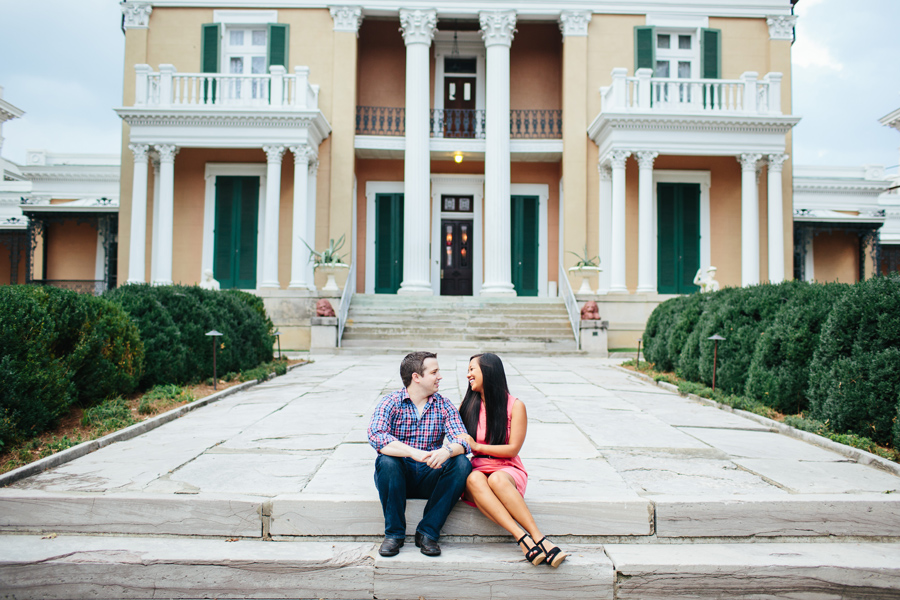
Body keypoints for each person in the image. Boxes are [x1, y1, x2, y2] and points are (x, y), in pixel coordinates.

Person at [459, 353, 569, 568]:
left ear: (489, 371)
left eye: (472, 369)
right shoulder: (467, 405)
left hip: (507, 468)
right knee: (473, 479)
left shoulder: (515, 406)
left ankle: (538, 537)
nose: (468, 374)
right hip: (478, 468)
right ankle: (522, 537)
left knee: (498, 480)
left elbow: (513, 449)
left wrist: (477, 446)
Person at [367, 351, 472, 557]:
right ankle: (394, 535)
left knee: (461, 463)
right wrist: (413, 453)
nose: (439, 376)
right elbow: (376, 435)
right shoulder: (391, 402)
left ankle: (427, 533)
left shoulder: (443, 405)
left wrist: (446, 451)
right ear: (416, 377)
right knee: (387, 460)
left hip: (430, 475)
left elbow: (464, 440)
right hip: (397, 477)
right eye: (434, 372)